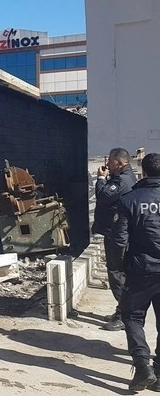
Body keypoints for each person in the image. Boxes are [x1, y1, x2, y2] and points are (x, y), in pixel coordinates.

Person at [110, 152, 160, 391]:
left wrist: (119, 268)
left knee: (132, 316)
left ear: (143, 172)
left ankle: (143, 366)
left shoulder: (130, 199)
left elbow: (120, 240)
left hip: (141, 268)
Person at [94, 147, 138, 331]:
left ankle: (124, 316)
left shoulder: (122, 180)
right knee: (117, 273)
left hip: (117, 234)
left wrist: (101, 179)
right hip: (115, 232)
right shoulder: (122, 177)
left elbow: (104, 196)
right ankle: (121, 310)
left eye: (110, 161)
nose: (107, 164)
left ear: (120, 162)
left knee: (117, 274)